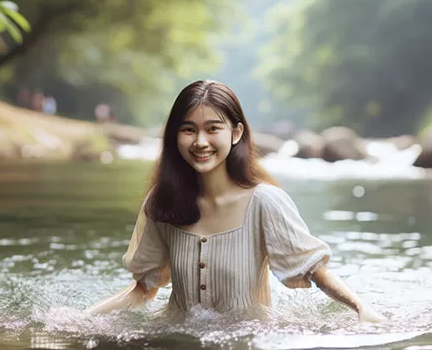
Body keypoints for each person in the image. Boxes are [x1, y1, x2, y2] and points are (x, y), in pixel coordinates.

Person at [87, 80, 385, 323]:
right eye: (188, 129)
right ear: (174, 136)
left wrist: (362, 309)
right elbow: (144, 289)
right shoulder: (163, 202)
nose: (200, 142)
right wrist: (82, 320)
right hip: (176, 349)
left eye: (213, 128)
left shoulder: (264, 203)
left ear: (236, 133)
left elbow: (315, 272)